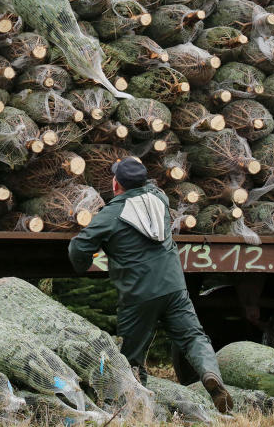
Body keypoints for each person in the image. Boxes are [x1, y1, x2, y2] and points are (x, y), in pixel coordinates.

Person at [68, 157, 234, 414]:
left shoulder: (111, 214)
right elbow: (149, 190)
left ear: (115, 185)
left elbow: (79, 247)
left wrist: (83, 263)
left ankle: (136, 409)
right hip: (174, 286)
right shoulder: (160, 200)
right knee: (192, 336)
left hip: (138, 294)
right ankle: (211, 374)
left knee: (131, 355)